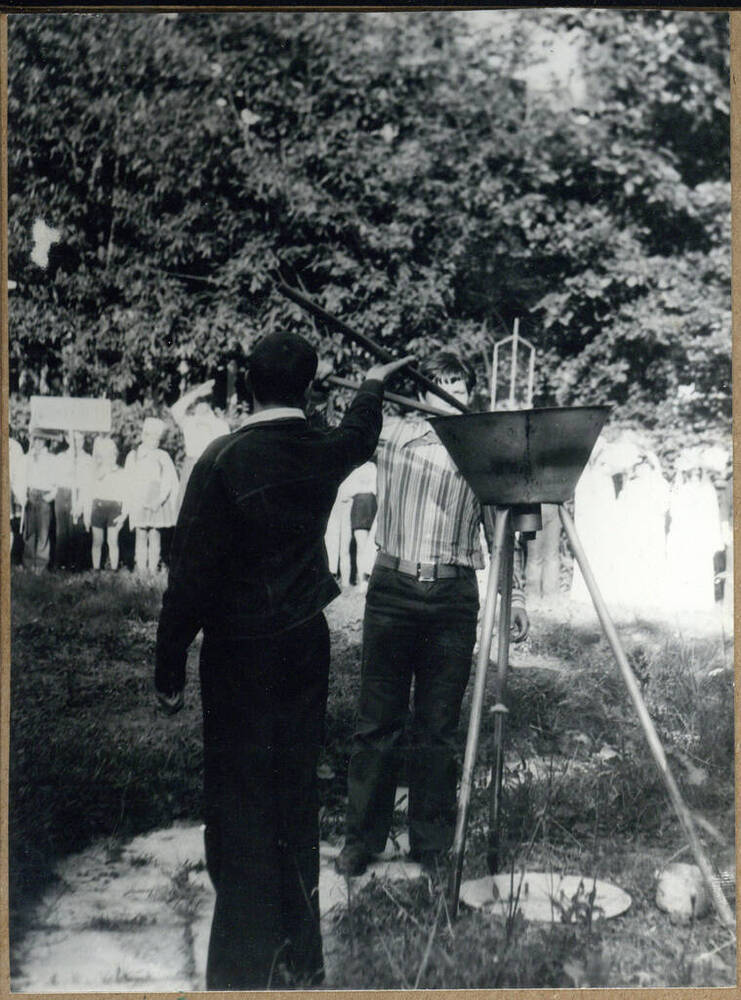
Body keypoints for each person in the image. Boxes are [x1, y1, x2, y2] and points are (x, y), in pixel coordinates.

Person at [154, 330, 413, 990]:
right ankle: (300, 963)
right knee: (293, 795)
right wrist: (374, 382)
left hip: (238, 651)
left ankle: (240, 969)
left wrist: (168, 668)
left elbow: (190, 576)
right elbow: (358, 433)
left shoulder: (221, 458)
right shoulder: (321, 448)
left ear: (248, 381)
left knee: (238, 800)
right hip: (301, 642)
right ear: (305, 385)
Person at [336, 351, 529, 878]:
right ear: (420, 391)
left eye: (457, 382)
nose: (448, 390)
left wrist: (516, 599)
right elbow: (348, 436)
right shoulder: (393, 434)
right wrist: (371, 386)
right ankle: (362, 840)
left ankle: (431, 840)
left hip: (452, 596)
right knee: (378, 721)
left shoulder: (479, 446)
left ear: (469, 390)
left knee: (439, 726)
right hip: (393, 589)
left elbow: (501, 526)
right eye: (438, 382)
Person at [125, 417, 179, 573]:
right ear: (144, 436)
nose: (154, 441)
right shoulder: (134, 456)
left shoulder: (163, 456)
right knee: (141, 534)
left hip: (157, 499)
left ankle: (153, 568)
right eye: (150, 436)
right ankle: (141, 569)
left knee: (155, 534)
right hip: (139, 499)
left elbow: (168, 480)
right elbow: (129, 481)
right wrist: (133, 502)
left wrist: (159, 499)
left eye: (157, 438)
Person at [169, 379, 230, 510]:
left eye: (205, 401)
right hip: (191, 466)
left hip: (211, 467)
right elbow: (175, 409)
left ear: (210, 402)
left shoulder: (220, 424)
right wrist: (196, 393)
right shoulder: (189, 422)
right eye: (198, 401)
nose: (201, 405)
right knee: (187, 508)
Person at [86, 436, 130, 571]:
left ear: (116, 455)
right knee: (97, 541)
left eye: (113, 454)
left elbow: (126, 494)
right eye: (107, 455)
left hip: (115, 508)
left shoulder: (122, 473)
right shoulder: (96, 473)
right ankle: (96, 569)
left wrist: (124, 515)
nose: (111, 458)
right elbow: (90, 493)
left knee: (113, 541)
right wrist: (87, 514)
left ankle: (114, 569)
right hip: (98, 506)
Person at [53, 430, 93, 570]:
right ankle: (60, 564)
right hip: (63, 493)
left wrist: (81, 503)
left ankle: (75, 564)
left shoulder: (87, 459)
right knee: (61, 531)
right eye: (74, 440)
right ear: (68, 440)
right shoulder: (61, 457)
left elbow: (88, 483)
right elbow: (55, 479)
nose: (77, 443)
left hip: (79, 494)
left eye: (80, 440)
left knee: (76, 529)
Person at [23, 430, 58, 572]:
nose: (37, 443)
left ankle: (41, 566)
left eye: (40, 440)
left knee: (43, 533)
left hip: (44, 495)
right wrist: (24, 495)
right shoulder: (28, 458)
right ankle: (29, 564)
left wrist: (51, 496)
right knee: (30, 532)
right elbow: (23, 476)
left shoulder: (51, 459)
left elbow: (57, 480)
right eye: (35, 440)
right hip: (31, 494)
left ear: (45, 442)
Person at [9, 437, 26, 565]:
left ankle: (13, 556)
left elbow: (19, 473)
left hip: (10, 488)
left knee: (12, 524)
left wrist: (18, 492)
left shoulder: (15, 447)